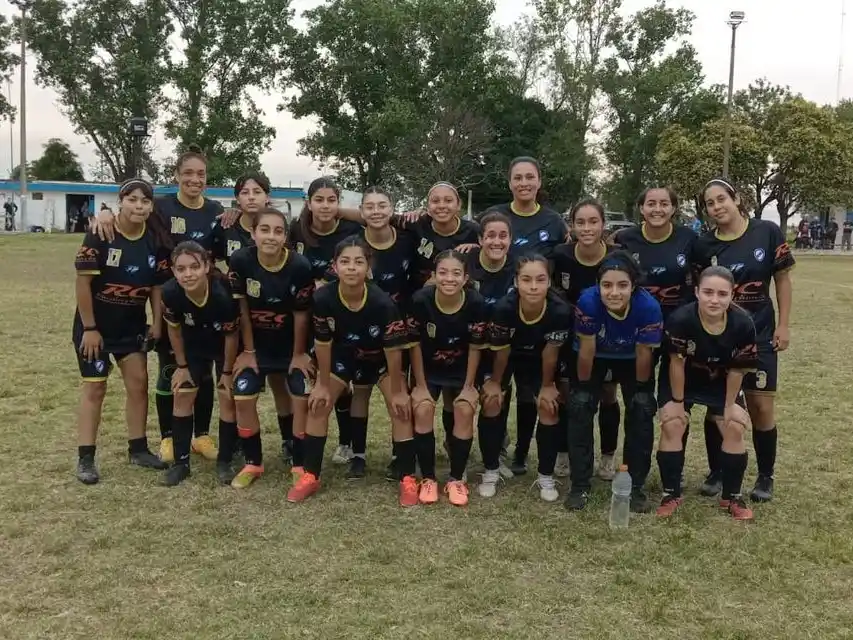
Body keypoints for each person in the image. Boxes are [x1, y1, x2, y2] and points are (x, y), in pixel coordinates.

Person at [92, 145, 225, 466]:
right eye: (188, 173)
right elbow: (130, 212)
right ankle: (168, 437)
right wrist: (106, 212)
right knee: (170, 371)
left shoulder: (216, 210)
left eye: (201, 174)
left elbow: (222, 252)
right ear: (177, 176)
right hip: (169, 298)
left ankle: (202, 436)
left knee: (203, 372)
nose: (195, 179)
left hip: (202, 302)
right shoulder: (161, 207)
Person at [287, 236, 419, 506]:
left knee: (400, 407)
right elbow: (322, 343)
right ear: (334, 266)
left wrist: (397, 391)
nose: (351, 267)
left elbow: (394, 352)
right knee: (318, 404)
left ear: (368, 267)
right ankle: (311, 475)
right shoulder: (323, 297)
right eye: (344, 261)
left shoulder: (383, 303)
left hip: (379, 359)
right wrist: (323, 384)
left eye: (358, 262)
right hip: (343, 359)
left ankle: (407, 478)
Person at [693, 178, 794, 502]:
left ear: (736, 198)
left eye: (721, 198)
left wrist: (785, 325)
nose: (717, 206)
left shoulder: (766, 231)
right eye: (710, 203)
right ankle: (718, 470)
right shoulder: (704, 246)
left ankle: (766, 476)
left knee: (761, 406)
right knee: (717, 407)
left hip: (761, 334)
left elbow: (782, 279)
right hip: (719, 339)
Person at [72, 178, 172, 484]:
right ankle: (86, 458)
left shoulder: (154, 238)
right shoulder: (101, 233)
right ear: (121, 201)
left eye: (145, 201)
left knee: (138, 385)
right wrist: (90, 328)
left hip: (131, 328)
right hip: (96, 330)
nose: (139, 206)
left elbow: (156, 286)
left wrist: (156, 322)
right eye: (132, 199)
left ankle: (138, 449)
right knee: (96, 388)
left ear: (151, 206)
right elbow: (83, 283)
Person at [656, 266, 758, 520]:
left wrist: (730, 405)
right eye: (708, 292)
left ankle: (731, 497)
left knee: (734, 424)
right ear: (696, 292)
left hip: (721, 380)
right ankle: (671, 494)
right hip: (683, 379)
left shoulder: (743, 323)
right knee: (672, 423)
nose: (714, 299)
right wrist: (678, 402)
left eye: (722, 294)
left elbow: (737, 371)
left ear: (732, 295)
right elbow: (676, 364)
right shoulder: (680, 319)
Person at [565, 251, 663, 512]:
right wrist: (584, 389)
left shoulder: (648, 307)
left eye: (622, 285)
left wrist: (641, 391)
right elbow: (586, 350)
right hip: (595, 355)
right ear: (598, 286)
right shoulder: (587, 301)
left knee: (642, 407)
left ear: (634, 286)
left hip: (632, 357)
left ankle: (635, 485)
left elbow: (644, 354)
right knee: (580, 404)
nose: (614, 292)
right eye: (607, 285)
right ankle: (580, 485)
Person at [227, 208, 315, 487]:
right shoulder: (241, 260)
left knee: (300, 394)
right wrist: (249, 351)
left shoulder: (300, 266)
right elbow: (241, 307)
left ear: (285, 236)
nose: (271, 236)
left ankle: (299, 462)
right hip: (256, 347)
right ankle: (253, 463)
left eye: (278, 231)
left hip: (290, 347)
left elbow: (302, 315)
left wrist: (299, 353)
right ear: (253, 233)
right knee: (242, 396)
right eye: (264, 230)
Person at [611, 186, 697, 465]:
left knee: (674, 402)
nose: (657, 209)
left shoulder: (690, 239)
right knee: (640, 403)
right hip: (639, 335)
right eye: (651, 203)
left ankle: (673, 468)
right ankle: (634, 469)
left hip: (678, 333)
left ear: (674, 208)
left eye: (664, 203)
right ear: (641, 208)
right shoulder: (625, 239)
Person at [482, 255, 572, 502]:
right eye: (526, 279)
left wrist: (546, 386)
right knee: (491, 400)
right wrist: (495, 383)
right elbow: (501, 353)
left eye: (540, 279)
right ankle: (490, 470)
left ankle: (545, 476)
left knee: (548, 405)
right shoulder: (504, 308)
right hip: (509, 355)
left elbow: (550, 353)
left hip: (539, 358)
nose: (533, 286)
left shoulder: (559, 310)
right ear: (516, 282)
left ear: (549, 282)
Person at [288, 177, 363, 465]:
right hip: (305, 316)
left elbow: (374, 218)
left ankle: (345, 443)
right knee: (306, 381)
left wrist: (342, 212)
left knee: (340, 382)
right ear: (308, 203)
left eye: (332, 200)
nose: (325, 206)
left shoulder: (351, 230)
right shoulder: (296, 230)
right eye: (319, 200)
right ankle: (297, 443)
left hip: (343, 317)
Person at [408, 250, 488, 506]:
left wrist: (469, 386)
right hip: (429, 369)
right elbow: (415, 346)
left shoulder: (476, 303)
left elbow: (476, 347)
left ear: (466, 278)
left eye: (456, 273)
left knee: (464, 410)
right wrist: (419, 386)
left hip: (462, 370)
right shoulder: (421, 300)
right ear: (434, 275)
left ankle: (456, 480)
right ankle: (429, 478)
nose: (449, 279)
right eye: (443, 272)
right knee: (422, 409)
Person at [160, 241, 240, 486]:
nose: (188, 274)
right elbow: (173, 331)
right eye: (181, 269)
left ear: (206, 266)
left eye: (194, 267)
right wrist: (182, 367)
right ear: (173, 271)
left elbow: (231, 336)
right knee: (183, 393)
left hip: (224, 347)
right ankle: (181, 464)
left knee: (227, 395)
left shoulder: (222, 292)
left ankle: (225, 461)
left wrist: (226, 372)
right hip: (194, 345)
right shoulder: (170, 292)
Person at [552, 199, 618, 480]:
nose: (587, 227)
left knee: (607, 394)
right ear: (572, 226)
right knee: (568, 395)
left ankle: (607, 456)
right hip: (571, 337)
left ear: (603, 225)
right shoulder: (561, 255)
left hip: (608, 338)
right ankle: (565, 453)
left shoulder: (617, 257)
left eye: (593, 221)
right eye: (581, 222)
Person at [466, 212, 517, 489]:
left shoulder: (518, 268)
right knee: (460, 403)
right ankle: (458, 459)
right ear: (479, 239)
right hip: (465, 347)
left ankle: (494, 457)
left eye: (503, 236)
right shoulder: (464, 263)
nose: (496, 241)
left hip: (502, 348)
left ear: (510, 239)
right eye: (490, 236)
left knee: (495, 401)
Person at [394, 182, 480, 290]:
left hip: (459, 294)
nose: (442, 206)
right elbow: (377, 218)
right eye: (435, 201)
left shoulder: (473, 231)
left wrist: (479, 250)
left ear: (458, 205)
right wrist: (406, 216)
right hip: (417, 295)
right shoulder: (416, 223)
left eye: (448, 200)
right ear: (428, 207)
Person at [478, 157, 567, 259]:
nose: (524, 183)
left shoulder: (554, 221)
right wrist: (470, 245)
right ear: (510, 184)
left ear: (539, 182)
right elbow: (470, 236)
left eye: (530, 177)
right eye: (518, 178)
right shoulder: (493, 215)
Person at [358, 186, 417, 306]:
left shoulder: (409, 239)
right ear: (361, 211)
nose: (376, 211)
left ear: (391, 209)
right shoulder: (353, 245)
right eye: (369, 207)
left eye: (382, 206)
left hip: (401, 314)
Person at [212, 172, 271, 266]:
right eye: (245, 192)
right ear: (237, 199)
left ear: (267, 197)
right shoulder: (226, 225)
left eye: (257, 192)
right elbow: (211, 259)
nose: (251, 197)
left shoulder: (278, 228)